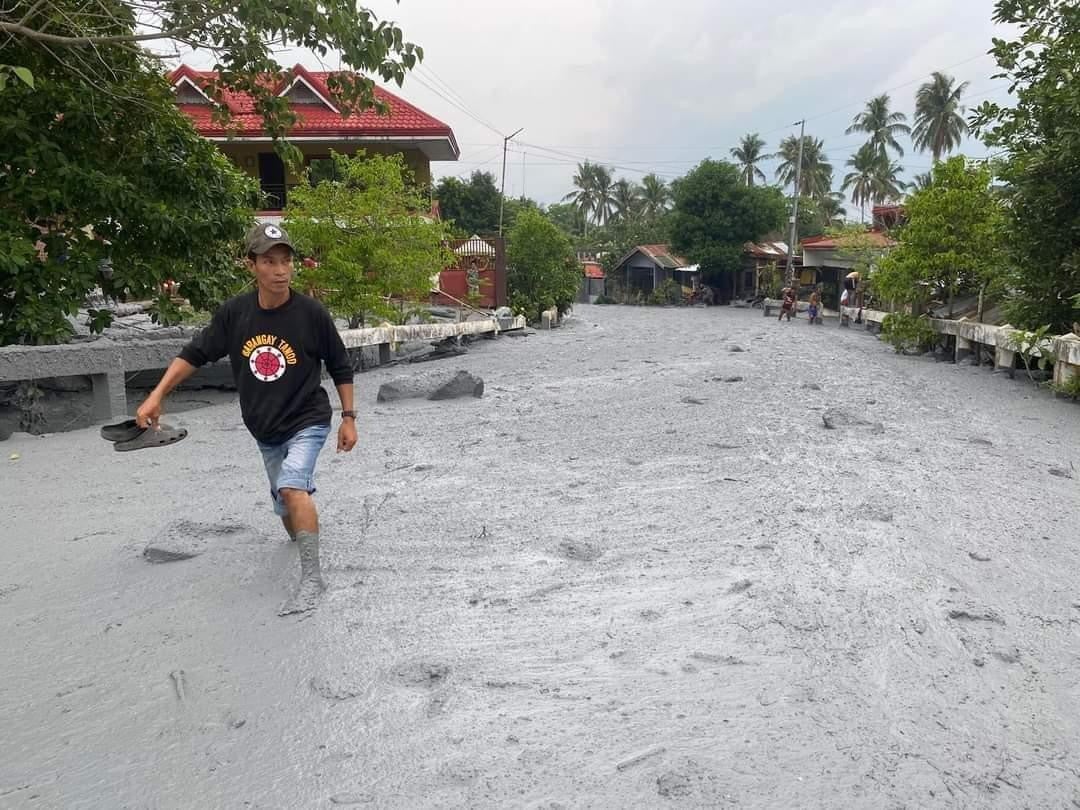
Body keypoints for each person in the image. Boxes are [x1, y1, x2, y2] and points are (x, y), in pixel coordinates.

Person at [135, 223, 357, 615]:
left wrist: (349, 417)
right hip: (264, 428)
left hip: (309, 418)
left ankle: (312, 580)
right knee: (286, 506)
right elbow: (194, 354)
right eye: (269, 262)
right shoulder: (235, 314)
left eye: (286, 261)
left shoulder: (311, 314)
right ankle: (299, 529)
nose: (280, 270)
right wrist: (156, 395)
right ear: (251, 265)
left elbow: (340, 365)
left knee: (292, 486)